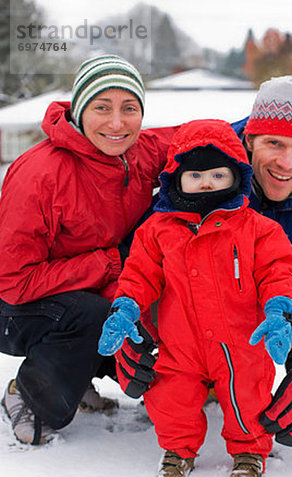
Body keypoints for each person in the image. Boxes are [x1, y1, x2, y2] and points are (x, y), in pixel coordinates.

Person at [119, 76, 292, 449]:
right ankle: (192, 380)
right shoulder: (207, 164)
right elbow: (146, 249)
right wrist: (133, 322)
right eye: (274, 143)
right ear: (249, 139)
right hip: (197, 314)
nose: (286, 163)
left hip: (279, 308)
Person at [98, 118, 292, 477]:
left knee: (247, 397)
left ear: (236, 177)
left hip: (241, 343)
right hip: (180, 342)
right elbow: (140, 274)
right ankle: (178, 450)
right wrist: (125, 305)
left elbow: (278, 271)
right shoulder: (157, 231)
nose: (206, 182)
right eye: (195, 176)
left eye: (217, 175)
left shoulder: (258, 228)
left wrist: (278, 308)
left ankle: (249, 451)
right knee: (170, 398)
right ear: (175, 181)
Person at [0, 54, 177, 446]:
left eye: (129, 108)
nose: (117, 123)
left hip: (79, 285)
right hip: (13, 302)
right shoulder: (40, 175)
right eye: (102, 108)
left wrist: (282, 138)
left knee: (134, 302)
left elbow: (204, 138)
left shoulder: (138, 152)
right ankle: (28, 397)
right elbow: (13, 282)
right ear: (80, 112)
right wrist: (109, 264)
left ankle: (77, 378)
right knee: (93, 313)